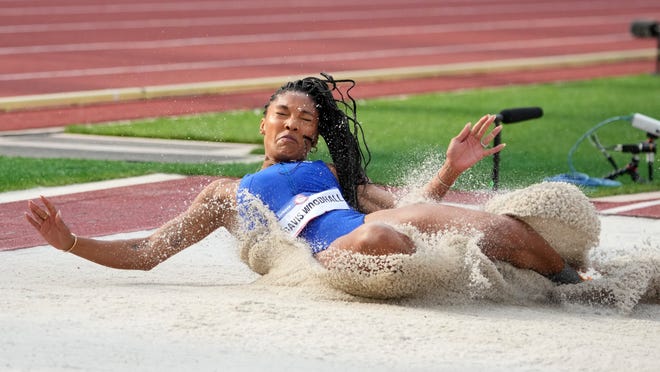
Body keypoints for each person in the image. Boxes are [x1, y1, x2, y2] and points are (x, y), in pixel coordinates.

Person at [26, 73, 583, 286]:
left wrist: (449, 171)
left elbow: (414, 207)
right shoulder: (226, 195)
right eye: (283, 115)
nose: (293, 124)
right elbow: (147, 251)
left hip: (375, 226)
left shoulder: (333, 176)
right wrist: (69, 242)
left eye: (306, 119)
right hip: (330, 253)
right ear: (263, 122)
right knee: (377, 237)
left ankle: (574, 282)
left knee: (490, 225)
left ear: (315, 136)